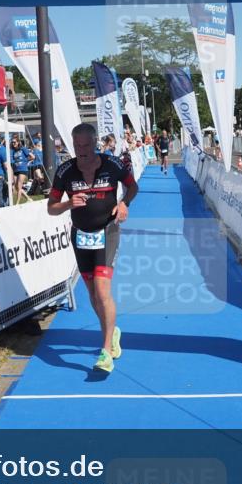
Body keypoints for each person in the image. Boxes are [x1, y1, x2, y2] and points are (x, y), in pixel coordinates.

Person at [47, 122, 138, 374]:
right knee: (93, 295)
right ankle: (112, 330)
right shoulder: (66, 170)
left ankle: (106, 350)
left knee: (101, 289)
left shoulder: (113, 165)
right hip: (81, 235)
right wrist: (67, 204)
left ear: (95, 143)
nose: (81, 150)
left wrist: (123, 204)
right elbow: (50, 207)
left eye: (86, 145)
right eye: (77, 145)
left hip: (107, 232)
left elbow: (132, 186)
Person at [11, 135, 31, 203]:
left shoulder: (23, 149)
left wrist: (26, 161)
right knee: (16, 187)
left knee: (19, 186)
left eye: (14, 142)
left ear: (18, 142)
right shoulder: (13, 151)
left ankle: (17, 203)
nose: (13, 144)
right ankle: (28, 198)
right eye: (12, 142)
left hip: (23, 169)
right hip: (16, 170)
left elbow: (32, 157)